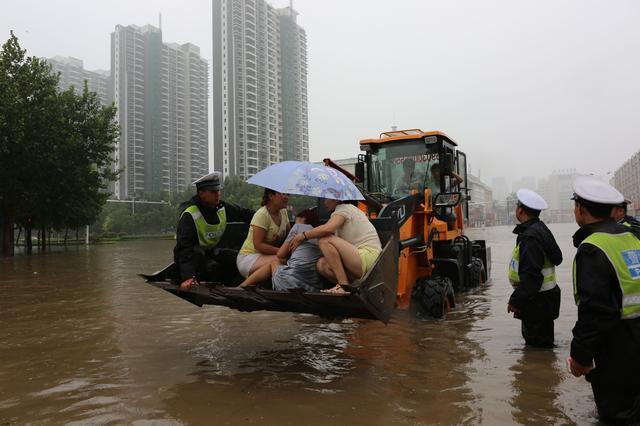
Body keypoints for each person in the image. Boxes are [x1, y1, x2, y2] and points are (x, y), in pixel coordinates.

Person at [567, 175, 640, 424]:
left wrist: (580, 355)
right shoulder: (632, 237)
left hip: (616, 351)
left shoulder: (593, 247)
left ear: (580, 209)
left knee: (616, 416)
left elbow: (596, 311)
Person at [174, 172, 254, 291]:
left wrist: (263, 217)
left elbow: (243, 214)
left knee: (239, 260)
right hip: (194, 257)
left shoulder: (221, 207)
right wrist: (188, 277)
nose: (217, 194)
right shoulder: (190, 215)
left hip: (211, 252)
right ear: (201, 193)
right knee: (213, 268)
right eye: (213, 192)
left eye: (218, 190)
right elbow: (184, 248)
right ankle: (218, 287)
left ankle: (234, 287)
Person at [290, 198, 382, 295]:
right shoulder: (342, 213)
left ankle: (343, 286)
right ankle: (353, 289)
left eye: (327, 199)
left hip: (369, 259)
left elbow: (327, 229)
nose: (324, 202)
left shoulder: (344, 208)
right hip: (359, 261)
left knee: (325, 240)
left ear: (337, 199)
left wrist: (303, 236)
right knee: (322, 264)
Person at [507, 189, 562, 348]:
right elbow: (558, 258)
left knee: (536, 352)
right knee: (545, 347)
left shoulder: (530, 236)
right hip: (547, 300)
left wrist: (515, 301)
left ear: (520, 210)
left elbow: (532, 278)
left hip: (536, 303)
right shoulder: (542, 229)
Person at [238, 208, 323, 292]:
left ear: (303, 218)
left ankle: (242, 286)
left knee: (274, 262)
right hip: (312, 286)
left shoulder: (298, 227)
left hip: (289, 282)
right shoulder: (320, 235)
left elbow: (280, 254)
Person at [236, 188, 290, 278]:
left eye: (288, 194)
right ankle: (243, 287)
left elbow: (290, 235)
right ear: (271, 196)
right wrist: (281, 251)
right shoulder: (262, 215)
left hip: (268, 255)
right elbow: (258, 245)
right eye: (283, 194)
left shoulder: (283, 212)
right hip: (250, 257)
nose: (286, 197)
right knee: (283, 260)